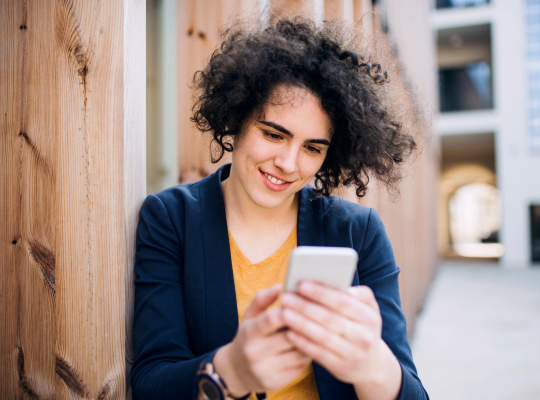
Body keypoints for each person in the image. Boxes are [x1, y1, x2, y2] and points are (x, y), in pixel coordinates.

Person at [131, 17, 428, 400]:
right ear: (237, 119)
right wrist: (232, 370)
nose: (289, 163)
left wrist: (371, 363)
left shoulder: (358, 231)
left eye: (312, 148)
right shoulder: (171, 219)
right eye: (274, 134)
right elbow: (151, 383)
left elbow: (413, 392)